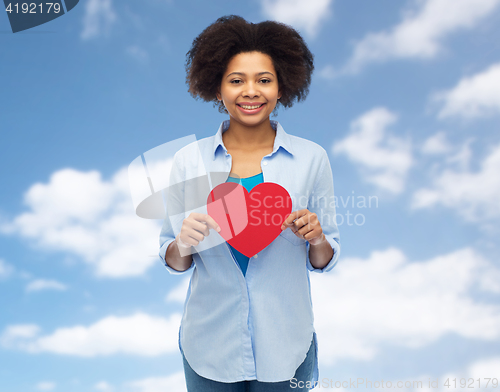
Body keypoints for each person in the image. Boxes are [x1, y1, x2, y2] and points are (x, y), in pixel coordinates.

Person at [159, 15, 341, 392]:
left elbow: (324, 258)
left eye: (264, 79)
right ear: (217, 87)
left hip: (287, 340)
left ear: (281, 85)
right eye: (236, 80)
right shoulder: (188, 162)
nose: (251, 91)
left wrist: (317, 238)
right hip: (209, 342)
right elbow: (173, 259)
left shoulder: (312, 159)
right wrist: (183, 242)